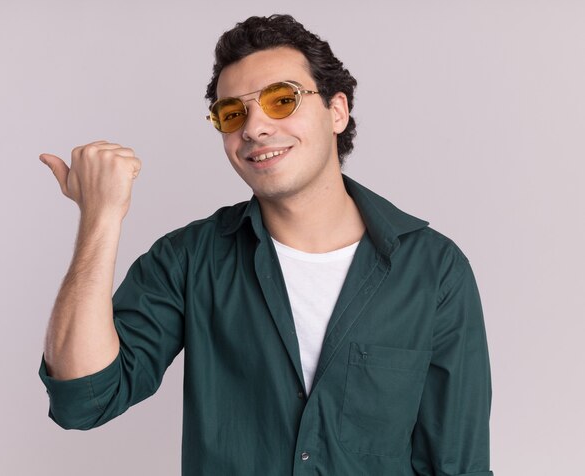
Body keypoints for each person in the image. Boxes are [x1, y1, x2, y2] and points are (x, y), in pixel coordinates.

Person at [39, 14, 493, 476]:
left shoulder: (433, 269)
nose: (253, 128)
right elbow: (83, 398)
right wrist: (100, 217)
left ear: (337, 111)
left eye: (281, 100)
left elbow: (458, 464)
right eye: (233, 113)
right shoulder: (189, 260)